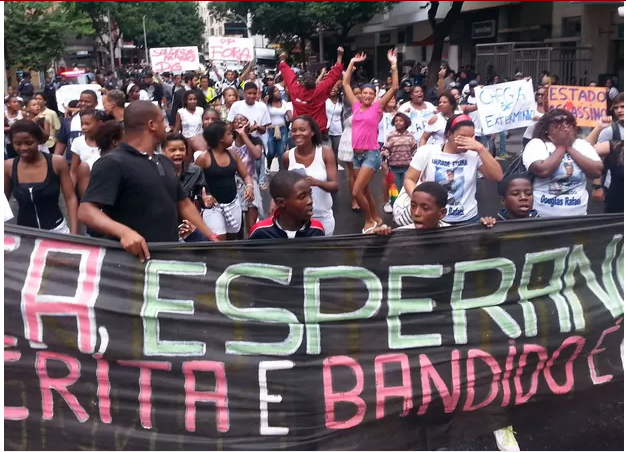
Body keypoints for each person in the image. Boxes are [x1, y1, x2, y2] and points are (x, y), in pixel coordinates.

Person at [78, 101, 218, 262]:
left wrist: (211, 237)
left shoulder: (164, 162)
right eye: (162, 120)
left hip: (166, 259)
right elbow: (86, 211)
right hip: (131, 264)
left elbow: (184, 204)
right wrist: (124, 232)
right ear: (151, 124)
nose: (166, 125)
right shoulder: (113, 162)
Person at [399, 114, 503, 226]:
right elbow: (409, 179)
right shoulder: (427, 152)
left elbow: (497, 176)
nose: (468, 141)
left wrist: (480, 148)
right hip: (435, 220)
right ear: (449, 134)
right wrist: (420, 201)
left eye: (472, 137)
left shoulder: (474, 155)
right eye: (462, 137)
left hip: (468, 220)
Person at [342, 49, 399, 233]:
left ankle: (369, 221)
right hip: (356, 155)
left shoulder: (378, 107)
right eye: (364, 93)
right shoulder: (357, 106)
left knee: (356, 192)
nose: (366, 96)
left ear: (374, 95)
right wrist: (352, 62)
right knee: (365, 191)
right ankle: (376, 217)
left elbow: (395, 87)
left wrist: (393, 64)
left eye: (370, 94)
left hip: (371, 155)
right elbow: (346, 83)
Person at [523, 109, 603, 218]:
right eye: (558, 124)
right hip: (541, 217)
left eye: (568, 123)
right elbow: (543, 170)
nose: (565, 127)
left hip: (578, 216)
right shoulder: (537, 144)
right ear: (546, 129)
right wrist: (561, 146)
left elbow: (597, 171)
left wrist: (569, 148)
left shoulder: (581, 145)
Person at [4, 119, 77, 234]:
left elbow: (70, 198)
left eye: (29, 143)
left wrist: (74, 232)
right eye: (18, 144)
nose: (23, 148)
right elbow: (3, 200)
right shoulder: (8, 166)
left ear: (38, 140)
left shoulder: (56, 162)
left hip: (57, 230)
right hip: (24, 235)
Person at [195, 121, 254, 241]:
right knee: (219, 241)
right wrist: (203, 198)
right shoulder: (204, 158)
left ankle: (233, 261)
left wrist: (249, 186)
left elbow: (246, 175)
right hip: (213, 208)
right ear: (221, 139)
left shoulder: (233, 154)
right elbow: (194, 183)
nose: (232, 135)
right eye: (229, 133)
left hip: (232, 204)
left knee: (233, 239)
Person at [282, 115, 338, 235]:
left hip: (322, 217)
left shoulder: (325, 152)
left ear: (312, 132)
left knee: (323, 252)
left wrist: (315, 182)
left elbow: (334, 186)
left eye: (302, 130)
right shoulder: (287, 156)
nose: (297, 133)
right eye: (294, 130)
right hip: (296, 218)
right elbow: (283, 186)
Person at [277, 47, 345, 136]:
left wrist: (282, 61)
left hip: (300, 131)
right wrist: (339, 57)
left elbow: (288, 75)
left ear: (301, 82)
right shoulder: (320, 90)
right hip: (317, 132)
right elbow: (333, 76)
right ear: (315, 81)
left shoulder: (296, 90)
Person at [161, 133, 212, 242]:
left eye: (181, 149)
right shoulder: (157, 171)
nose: (178, 153)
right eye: (173, 150)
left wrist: (206, 202)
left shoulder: (195, 171)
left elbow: (202, 195)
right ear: (163, 151)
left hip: (187, 226)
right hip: (163, 226)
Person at [248, 170, 325, 239]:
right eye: (302, 197)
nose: (310, 201)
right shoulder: (260, 232)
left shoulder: (316, 230)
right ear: (281, 203)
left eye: (310, 194)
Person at [370, 182, 449, 235]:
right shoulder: (399, 236)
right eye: (413, 206)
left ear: (442, 213)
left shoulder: (453, 238)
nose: (416, 213)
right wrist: (377, 242)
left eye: (425, 208)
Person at [230, 114, 264, 236]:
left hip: (250, 180)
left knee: (251, 222)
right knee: (237, 223)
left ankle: (252, 246)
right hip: (233, 182)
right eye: (236, 120)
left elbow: (257, 155)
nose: (239, 122)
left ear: (248, 123)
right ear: (232, 126)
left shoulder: (255, 140)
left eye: (242, 120)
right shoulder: (229, 142)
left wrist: (244, 135)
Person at [76, 120, 123, 199]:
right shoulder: (87, 166)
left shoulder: (127, 163)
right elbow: (87, 201)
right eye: (124, 139)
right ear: (115, 142)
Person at [55, 90, 98, 167]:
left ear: (96, 103)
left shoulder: (102, 121)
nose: (83, 103)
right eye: (81, 101)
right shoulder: (68, 122)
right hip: (72, 167)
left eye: (87, 101)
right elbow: (60, 145)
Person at [337, 86, 362, 211]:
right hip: (350, 140)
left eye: (359, 93)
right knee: (353, 173)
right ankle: (354, 199)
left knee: (364, 172)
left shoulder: (367, 108)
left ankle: (363, 196)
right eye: (355, 93)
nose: (358, 95)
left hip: (365, 141)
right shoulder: (347, 108)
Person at [382, 112, 417, 195]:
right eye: (396, 121)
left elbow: (414, 151)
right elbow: (385, 149)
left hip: (407, 168)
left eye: (401, 121)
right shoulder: (391, 136)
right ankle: (393, 206)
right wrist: (384, 162)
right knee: (394, 190)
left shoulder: (410, 136)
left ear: (406, 123)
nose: (398, 122)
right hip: (394, 168)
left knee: (405, 189)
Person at [70, 109, 103, 185]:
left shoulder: (109, 142)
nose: (83, 127)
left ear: (99, 124)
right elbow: (73, 172)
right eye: (82, 124)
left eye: (87, 124)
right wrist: (71, 194)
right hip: (85, 186)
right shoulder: (78, 142)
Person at [266, 85, 291, 172]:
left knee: (281, 152)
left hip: (282, 129)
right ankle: (268, 165)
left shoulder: (284, 103)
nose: (278, 93)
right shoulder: (267, 104)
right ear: (271, 94)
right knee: (271, 152)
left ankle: (281, 172)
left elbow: (290, 116)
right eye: (276, 91)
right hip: (270, 130)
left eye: (279, 91)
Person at [325, 81, 344, 165]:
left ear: (338, 90)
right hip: (326, 130)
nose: (333, 89)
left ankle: (335, 172)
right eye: (331, 87)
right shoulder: (324, 100)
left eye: (335, 87)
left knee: (336, 153)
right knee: (327, 153)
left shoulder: (342, 101)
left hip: (338, 130)